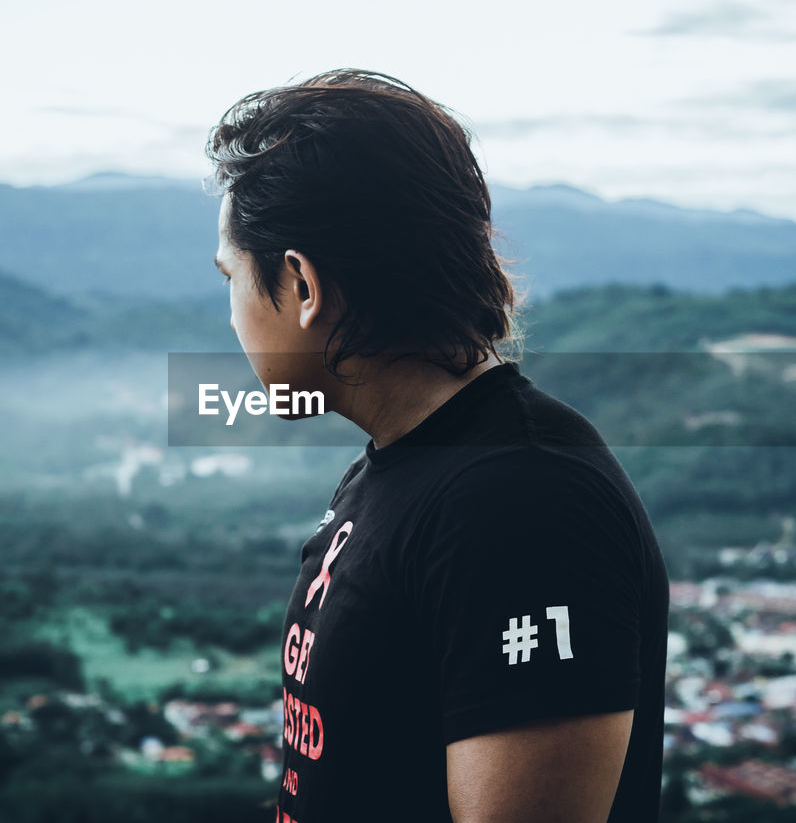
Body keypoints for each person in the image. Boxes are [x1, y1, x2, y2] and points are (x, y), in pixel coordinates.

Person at [204, 68, 670, 823]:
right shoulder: (406, 468)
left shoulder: (523, 500)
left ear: (302, 285)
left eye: (231, 278)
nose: (228, 319)